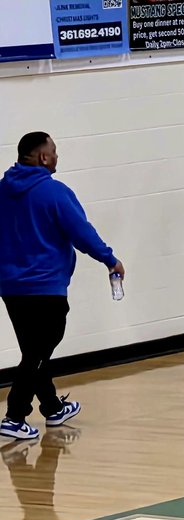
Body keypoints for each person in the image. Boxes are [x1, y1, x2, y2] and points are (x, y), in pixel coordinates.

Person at [0, 132, 124, 443]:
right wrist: (109, 259)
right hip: (45, 287)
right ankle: (14, 415)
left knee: (34, 350)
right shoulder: (54, 192)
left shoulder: (3, 190)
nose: (57, 156)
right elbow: (81, 233)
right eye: (54, 151)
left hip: (10, 286)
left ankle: (53, 407)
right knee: (40, 350)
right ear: (43, 157)